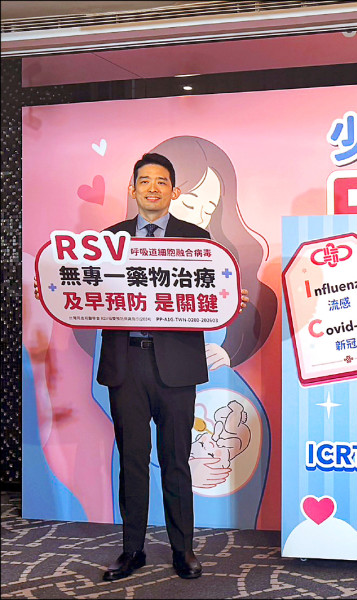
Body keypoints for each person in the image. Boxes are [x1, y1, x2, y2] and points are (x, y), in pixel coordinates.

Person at [92, 153, 249, 581]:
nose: (153, 188)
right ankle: (132, 550)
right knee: (132, 460)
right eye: (144, 180)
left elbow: (215, 292)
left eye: (162, 181)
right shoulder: (108, 240)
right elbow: (89, 292)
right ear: (132, 188)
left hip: (176, 364)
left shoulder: (197, 239)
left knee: (177, 459)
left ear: (174, 191)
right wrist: (60, 290)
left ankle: (183, 550)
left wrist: (230, 299)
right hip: (125, 362)